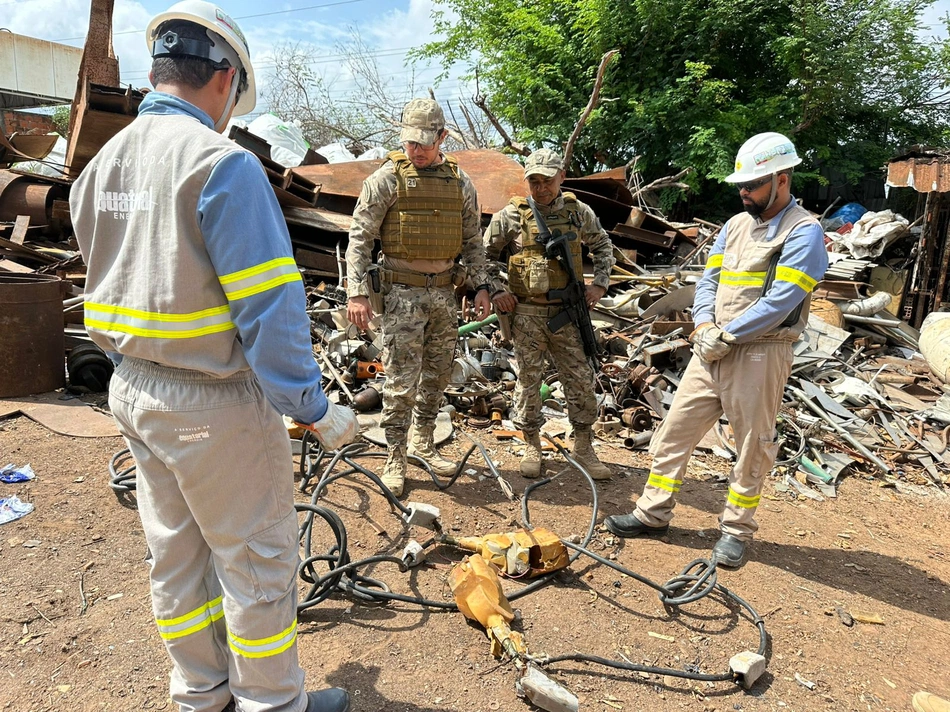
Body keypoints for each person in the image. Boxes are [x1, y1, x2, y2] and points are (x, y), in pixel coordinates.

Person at [69, 3, 356, 711]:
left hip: (131, 387)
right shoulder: (221, 165)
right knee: (257, 562)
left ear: (158, 71)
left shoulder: (101, 166)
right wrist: (313, 408)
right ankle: (271, 704)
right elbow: (269, 307)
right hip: (212, 400)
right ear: (224, 80)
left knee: (176, 554)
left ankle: (201, 693)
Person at [605, 132, 828, 569]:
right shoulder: (734, 225)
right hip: (712, 346)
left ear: (782, 179)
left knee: (752, 445)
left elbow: (781, 300)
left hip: (760, 353)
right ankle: (652, 514)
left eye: (752, 185)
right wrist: (704, 325)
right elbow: (707, 281)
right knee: (675, 431)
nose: (743, 192)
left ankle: (735, 531)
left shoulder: (805, 232)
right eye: (740, 185)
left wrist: (730, 334)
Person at [345, 98, 493, 498]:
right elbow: (360, 237)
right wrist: (356, 292)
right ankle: (396, 454)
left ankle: (422, 440)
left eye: (426, 142)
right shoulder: (387, 179)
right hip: (402, 296)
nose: (417, 150)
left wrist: (481, 285)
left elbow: (473, 242)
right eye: (411, 142)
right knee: (399, 380)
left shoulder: (460, 183)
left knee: (438, 374)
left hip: (445, 293)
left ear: (443, 136)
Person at [484, 148, 616, 480]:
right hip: (527, 314)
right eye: (535, 182)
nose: (541, 188)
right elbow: (481, 254)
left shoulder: (578, 212)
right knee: (529, 382)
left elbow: (602, 245)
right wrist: (497, 289)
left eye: (548, 180)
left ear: (561, 176)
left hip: (568, 312)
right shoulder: (512, 215)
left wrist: (599, 285)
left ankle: (584, 446)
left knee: (580, 379)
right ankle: (531, 442)